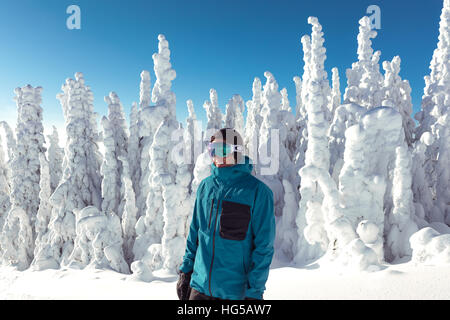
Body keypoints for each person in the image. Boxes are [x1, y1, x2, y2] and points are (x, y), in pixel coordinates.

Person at [177, 128, 275, 300]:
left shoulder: (258, 192)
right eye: (211, 150)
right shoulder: (206, 187)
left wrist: (254, 292)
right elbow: (195, 233)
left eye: (222, 150)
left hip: (234, 294)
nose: (216, 157)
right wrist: (186, 272)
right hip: (199, 289)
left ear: (237, 151)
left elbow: (263, 248)